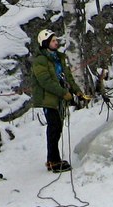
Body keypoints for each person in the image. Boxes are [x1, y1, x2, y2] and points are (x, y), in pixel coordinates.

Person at [30, 29, 88, 172]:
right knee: (54, 128)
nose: (56, 43)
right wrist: (63, 93)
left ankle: (52, 159)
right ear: (45, 43)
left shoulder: (58, 58)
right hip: (49, 99)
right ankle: (54, 161)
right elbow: (45, 81)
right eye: (53, 41)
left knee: (57, 128)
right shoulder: (40, 60)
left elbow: (67, 77)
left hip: (58, 98)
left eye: (56, 40)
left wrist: (77, 91)